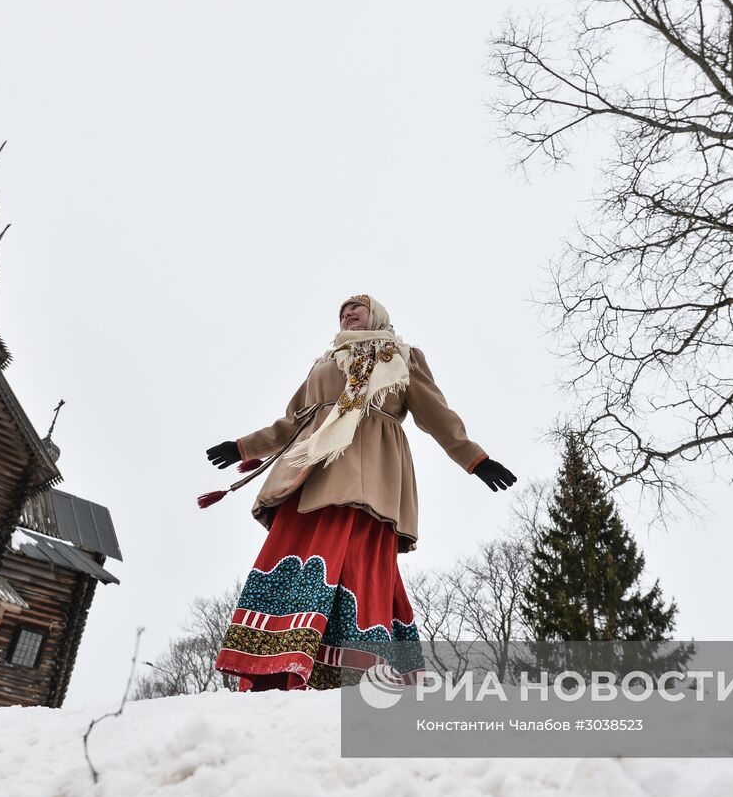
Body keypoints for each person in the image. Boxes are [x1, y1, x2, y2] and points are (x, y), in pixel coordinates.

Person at [204, 294, 516, 691]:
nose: (348, 314)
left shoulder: (400, 356)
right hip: (311, 474)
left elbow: (436, 415)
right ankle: (276, 664)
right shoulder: (325, 363)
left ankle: (365, 670)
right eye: (342, 311)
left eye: (358, 308)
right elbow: (293, 423)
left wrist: (475, 459)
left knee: (357, 561)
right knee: (296, 556)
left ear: (378, 316)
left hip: (370, 477)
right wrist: (243, 447)